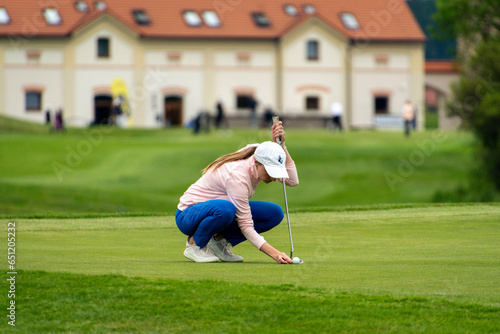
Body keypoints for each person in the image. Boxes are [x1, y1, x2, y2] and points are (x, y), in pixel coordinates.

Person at [175, 121, 299, 264]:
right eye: (270, 171)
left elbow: (293, 181)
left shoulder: (258, 151)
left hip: (215, 211)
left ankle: (218, 242)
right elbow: (246, 226)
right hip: (188, 215)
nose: (274, 177)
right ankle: (194, 244)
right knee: (226, 209)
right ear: (257, 163)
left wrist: (280, 147)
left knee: (274, 213)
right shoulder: (238, 176)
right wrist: (275, 254)